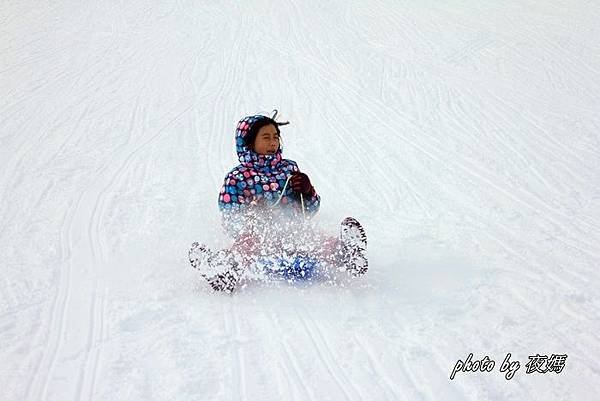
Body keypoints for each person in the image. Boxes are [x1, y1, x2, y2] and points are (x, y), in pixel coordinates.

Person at [189, 110, 367, 292]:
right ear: (248, 143)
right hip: (261, 241)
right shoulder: (237, 178)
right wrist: (252, 215)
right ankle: (225, 271)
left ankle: (347, 256)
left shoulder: (289, 169)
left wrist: (307, 191)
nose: (273, 142)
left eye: (275, 137)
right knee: (247, 243)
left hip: (292, 234)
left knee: (315, 238)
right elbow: (230, 219)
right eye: (266, 137)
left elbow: (309, 211)